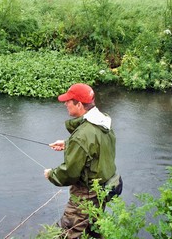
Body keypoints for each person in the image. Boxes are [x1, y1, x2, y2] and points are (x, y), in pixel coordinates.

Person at [44, 83, 122, 238]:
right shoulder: (103, 121)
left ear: (79, 104)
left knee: (66, 233)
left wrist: (51, 174)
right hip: (100, 192)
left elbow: (69, 173)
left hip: (84, 195)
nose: (65, 104)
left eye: (68, 101)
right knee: (93, 230)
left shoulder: (82, 135)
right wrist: (68, 144)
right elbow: (97, 147)